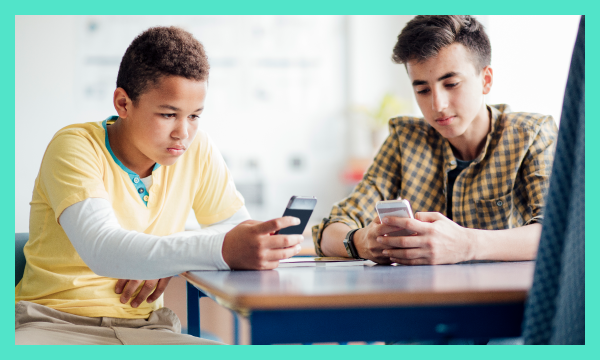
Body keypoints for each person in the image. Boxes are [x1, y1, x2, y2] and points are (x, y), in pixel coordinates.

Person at [15, 26, 304, 345]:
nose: (183, 132)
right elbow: (104, 250)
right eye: (168, 114)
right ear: (123, 104)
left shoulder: (197, 149)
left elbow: (234, 224)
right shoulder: (74, 146)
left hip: (146, 327)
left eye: (195, 116)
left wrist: (163, 256)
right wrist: (186, 252)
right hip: (50, 323)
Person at [313, 15, 558, 265]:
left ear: (486, 80)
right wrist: (361, 242)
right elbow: (328, 231)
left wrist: (467, 245)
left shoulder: (532, 135)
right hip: (425, 296)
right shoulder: (405, 139)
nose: (437, 105)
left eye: (451, 84)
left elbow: (557, 231)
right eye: (422, 90)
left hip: (508, 298)